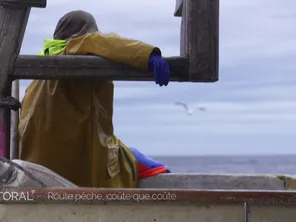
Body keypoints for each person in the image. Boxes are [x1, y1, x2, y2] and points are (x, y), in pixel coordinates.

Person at [18, 10, 170, 188]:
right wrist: (148, 56)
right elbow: (99, 42)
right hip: (77, 167)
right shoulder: (79, 46)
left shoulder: (37, 74)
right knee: (139, 161)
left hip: (35, 170)